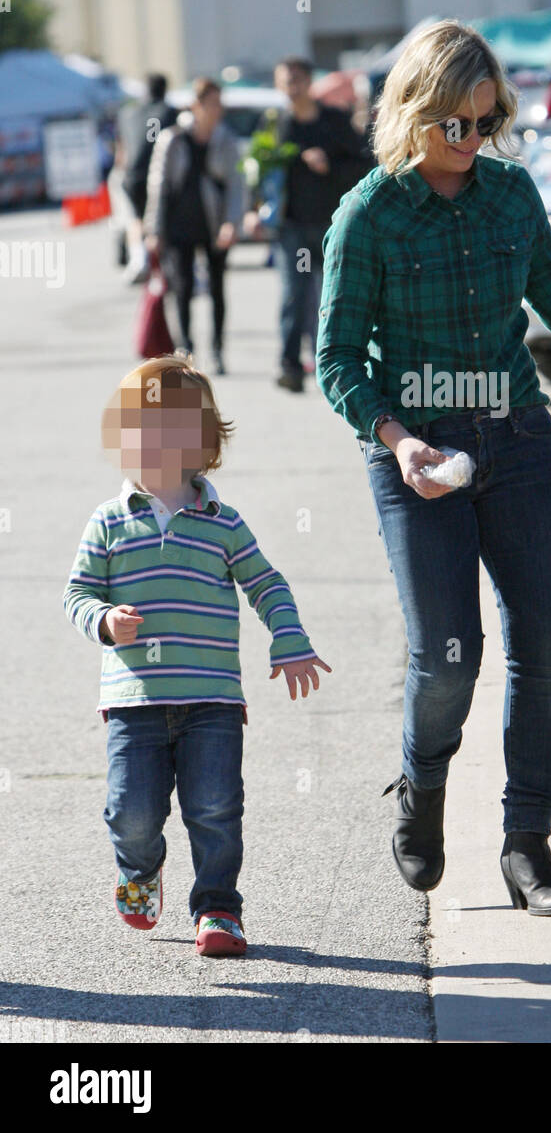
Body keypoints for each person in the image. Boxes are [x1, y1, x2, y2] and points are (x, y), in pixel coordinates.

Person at [316, 19, 551, 917]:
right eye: (456, 124)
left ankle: (528, 847)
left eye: (487, 124)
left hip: (519, 440)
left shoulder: (511, 195)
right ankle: (423, 784)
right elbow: (337, 359)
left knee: (545, 649)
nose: (471, 142)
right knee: (450, 658)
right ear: (415, 113)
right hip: (417, 452)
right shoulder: (367, 214)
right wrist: (400, 440)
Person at [63, 354, 333, 956]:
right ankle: (141, 869)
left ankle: (217, 909)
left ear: (202, 441)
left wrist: (289, 639)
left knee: (215, 810)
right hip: (133, 701)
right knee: (130, 812)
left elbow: (267, 583)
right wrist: (104, 620)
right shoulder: (108, 522)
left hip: (211, 698)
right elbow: (77, 593)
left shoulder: (223, 522)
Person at [249, 57, 372, 394]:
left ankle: (339, 363)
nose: (292, 87)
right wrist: (254, 207)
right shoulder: (274, 124)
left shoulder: (333, 121)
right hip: (291, 225)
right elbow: (258, 170)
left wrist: (328, 164)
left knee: (337, 296)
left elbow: (365, 165)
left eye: (297, 79)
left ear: (309, 83)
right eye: (285, 81)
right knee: (293, 294)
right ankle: (290, 365)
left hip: (333, 223)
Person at [145, 78, 244, 375]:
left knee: (217, 288)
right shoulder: (172, 139)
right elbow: (158, 187)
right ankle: (185, 351)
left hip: (214, 222)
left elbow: (237, 185)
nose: (217, 110)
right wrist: (154, 230)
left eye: (219, 103)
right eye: (211, 103)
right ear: (196, 105)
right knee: (183, 288)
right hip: (180, 224)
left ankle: (217, 351)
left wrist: (232, 223)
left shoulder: (226, 140)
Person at [114, 73, 177, 283]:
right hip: (156, 175)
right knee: (160, 220)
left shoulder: (127, 112)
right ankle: (163, 264)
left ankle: (139, 260)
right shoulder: (168, 111)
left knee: (135, 219)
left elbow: (120, 152)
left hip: (130, 176)